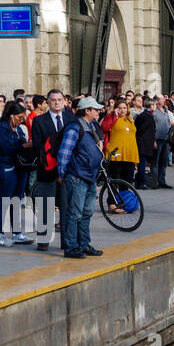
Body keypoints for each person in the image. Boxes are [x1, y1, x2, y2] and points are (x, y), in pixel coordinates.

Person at [56, 96, 106, 259]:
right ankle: (71, 246)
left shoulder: (90, 125)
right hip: (77, 176)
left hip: (89, 176)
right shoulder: (75, 127)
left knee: (87, 212)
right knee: (75, 213)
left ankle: (84, 244)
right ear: (87, 111)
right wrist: (62, 174)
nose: (98, 112)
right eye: (96, 109)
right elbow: (64, 152)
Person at [29, 88, 75, 251]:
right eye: (53, 100)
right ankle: (43, 240)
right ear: (47, 102)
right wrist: (53, 154)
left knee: (66, 207)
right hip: (46, 169)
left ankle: (67, 241)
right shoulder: (39, 121)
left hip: (66, 171)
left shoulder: (71, 119)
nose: (56, 102)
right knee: (45, 206)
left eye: (59, 100)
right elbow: (37, 145)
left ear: (64, 101)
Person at [0, 101, 32, 246]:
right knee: (4, 200)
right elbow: (5, 148)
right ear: (11, 115)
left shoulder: (19, 129)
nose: (22, 120)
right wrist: (23, 145)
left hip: (20, 167)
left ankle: (16, 232)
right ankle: (0, 234)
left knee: (17, 199)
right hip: (7, 166)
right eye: (19, 117)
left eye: (23, 118)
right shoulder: (2, 128)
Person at [134, 98, 156, 189]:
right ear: (151, 106)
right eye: (154, 105)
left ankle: (140, 182)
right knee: (142, 163)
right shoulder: (147, 116)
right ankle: (141, 182)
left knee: (142, 163)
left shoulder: (142, 115)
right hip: (144, 143)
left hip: (142, 142)